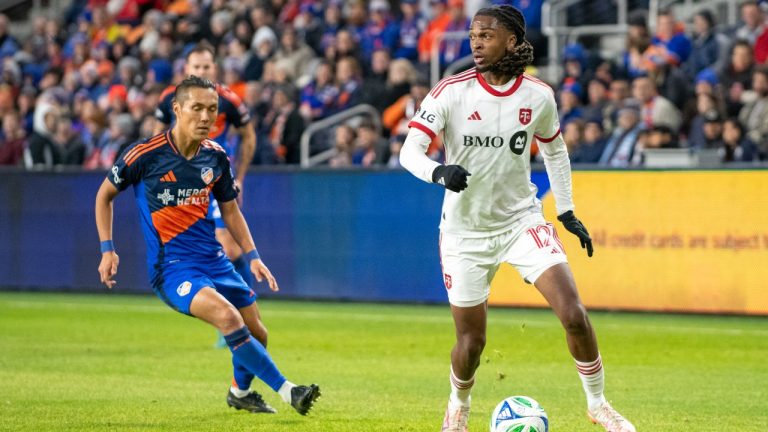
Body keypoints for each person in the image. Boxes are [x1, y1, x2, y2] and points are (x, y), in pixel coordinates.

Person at [399, 6, 635, 432]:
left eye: (486, 35)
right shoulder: (450, 91)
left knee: (574, 314)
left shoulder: (538, 95)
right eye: (473, 35)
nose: (476, 43)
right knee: (472, 343)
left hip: (521, 222)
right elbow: (408, 151)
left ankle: (599, 405)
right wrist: (438, 172)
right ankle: (458, 405)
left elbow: (555, 151)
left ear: (511, 41)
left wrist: (565, 209)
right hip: (464, 232)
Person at [95, 76, 320, 416]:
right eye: (197, 108)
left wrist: (253, 256)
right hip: (172, 269)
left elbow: (230, 210)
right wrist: (107, 248)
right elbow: (104, 196)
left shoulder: (215, 157)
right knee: (228, 317)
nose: (205, 117)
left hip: (215, 262)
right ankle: (290, 391)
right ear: (177, 109)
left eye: (212, 109)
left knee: (258, 333)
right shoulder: (144, 154)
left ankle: (240, 392)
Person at [153, 42, 257, 347]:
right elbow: (156, 137)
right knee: (202, 249)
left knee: (231, 249)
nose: (202, 71)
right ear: (186, 69)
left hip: (215, 179)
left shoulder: (228, 100)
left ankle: (239, 317)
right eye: (196, 66)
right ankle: (233, 319)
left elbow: (249, 136)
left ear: (215, 67)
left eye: (206, 66)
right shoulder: (169, 98)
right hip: (183, 184)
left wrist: (241, 176)